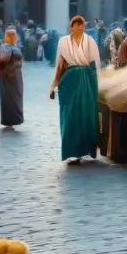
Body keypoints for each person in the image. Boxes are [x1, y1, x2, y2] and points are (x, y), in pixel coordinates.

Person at [51, 15, 103, 164]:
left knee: (86, 115)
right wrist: (52, 86)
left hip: (87, 80)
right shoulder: (63, 42)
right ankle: (72, 152)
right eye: (77, 24)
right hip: (69, 82)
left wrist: (97, 83)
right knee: (70, 116)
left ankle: (86, 150)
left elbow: (96, 64)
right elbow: (59, 65)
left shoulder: (90, 41)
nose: (81, 27)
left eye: (82, 25)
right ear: (71, 26)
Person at [0, 27, 24, 128]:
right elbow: (14, 61)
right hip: (13, 77)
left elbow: (0, 59)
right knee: (14, 98)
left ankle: (8, 120)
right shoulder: (12, 48)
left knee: (7, 98)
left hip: (4, 76)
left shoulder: (2, 47)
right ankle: (13, 120)